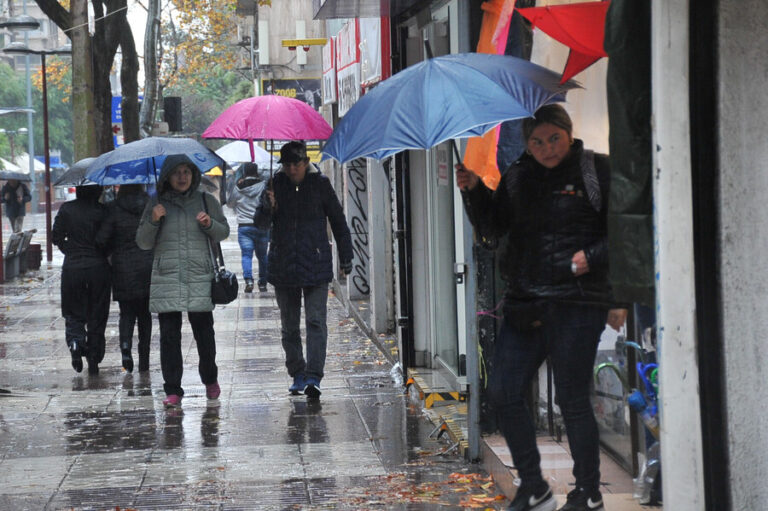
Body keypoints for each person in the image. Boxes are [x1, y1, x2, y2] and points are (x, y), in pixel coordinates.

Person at [456, 104, 615, 511]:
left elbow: (624, 230)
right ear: (527, 143)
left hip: (577, 302)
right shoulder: (518, 176)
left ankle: (588, 492)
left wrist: (592, 257)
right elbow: (493, 229)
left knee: (572, 398)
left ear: (569, 132)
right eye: (537, 141)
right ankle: (534, 486)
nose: (546, 148)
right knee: (504, 391)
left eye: (554, 139)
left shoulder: (595, 171)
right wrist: (472, 192)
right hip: (526, 302)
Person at [136, 154, 230, 407]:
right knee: (169, 337)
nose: (182, 177)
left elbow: (224, 232)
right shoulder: (155, 204)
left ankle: (210, 379)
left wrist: (210, 223)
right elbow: (143, 242)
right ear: (167, 176)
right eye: (176, 172)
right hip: (167, 276)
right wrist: (154, 220)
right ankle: (173, 390)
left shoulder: (206, 201)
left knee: (204, 334)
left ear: (193, 175)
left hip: (199, 274)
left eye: (186, 172)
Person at [263, 141, 353, 399]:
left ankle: (314, 376)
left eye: (297, 164)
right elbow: (260, 224)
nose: (292, 169)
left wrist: (346, 256)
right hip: (283, 265)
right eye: (287, 165)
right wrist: (267, 207)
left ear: (305, 163)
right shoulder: (274, 185)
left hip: (315, 263)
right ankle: (297, 373)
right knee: (289, 326)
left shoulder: (320, 184)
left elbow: (338, 220)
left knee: (316, 321)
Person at [52, 185, 111, 375]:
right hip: (98, 269)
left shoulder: (67, 209)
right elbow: (109, 240)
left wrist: (68, 249)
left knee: (74, 311)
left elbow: (56, 236)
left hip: (73, 269)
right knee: (97, 312)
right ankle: (94, 355)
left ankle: (76, 342)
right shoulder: (103, 211)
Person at [96, 184, 154, 373]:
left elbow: (102, 240)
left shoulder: (113, 208)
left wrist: (111, 252)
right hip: (147, 266)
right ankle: (144, 360)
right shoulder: (150, 206)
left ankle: (126, 347)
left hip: (122, 268)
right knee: (145, 315)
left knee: (127, 313)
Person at [227, 162, 270, 293]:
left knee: (246, 255)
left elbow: (229, 204)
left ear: (244, 173)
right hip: (262, 225)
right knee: (263, 256)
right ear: (257, 172)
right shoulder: (263, 186)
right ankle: (263, 283)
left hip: (244, 227)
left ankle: (249, 281)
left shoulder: (237, 187)